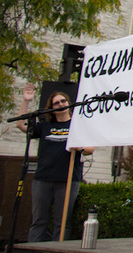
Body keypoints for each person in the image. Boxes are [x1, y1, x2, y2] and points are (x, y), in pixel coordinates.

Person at [16, 83, 95, 242]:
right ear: (51, 107)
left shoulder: (77, 126)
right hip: (43, 178)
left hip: (67, 180)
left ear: (68, 103)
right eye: (56, 103)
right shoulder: (46, 126)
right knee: (39, 221)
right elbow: (20, 124)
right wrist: (26, 101)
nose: (60, 104)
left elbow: (89, 149)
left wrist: (77, 147)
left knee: (62, 222)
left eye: (63, 101)